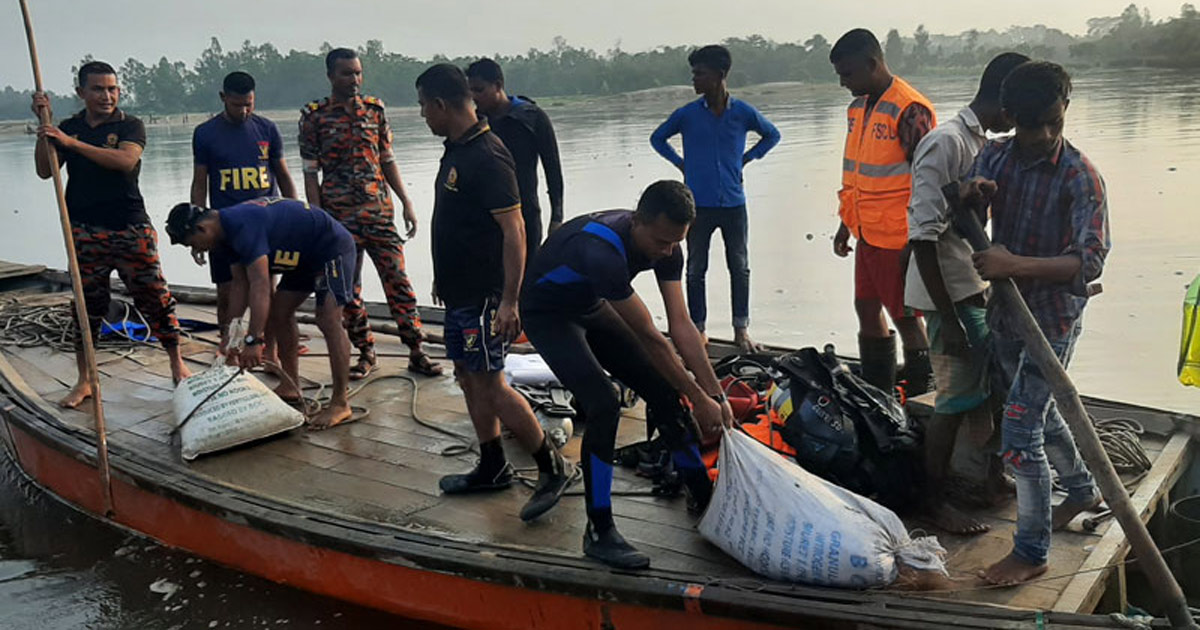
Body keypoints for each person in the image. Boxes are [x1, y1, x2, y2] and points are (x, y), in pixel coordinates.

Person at [522, 181, 734, 570]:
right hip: (547, 314)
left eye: (676, 242)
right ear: (637, 221)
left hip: (590, 303)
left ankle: (702, 494)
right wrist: (697, 396)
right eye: (661, 241)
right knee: (603, 403)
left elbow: (681, 324)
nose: (668, 251)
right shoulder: (602, 252)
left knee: (665, 391)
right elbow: (652, 337)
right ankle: (599, 531)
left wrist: (714, 394)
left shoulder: (668, 244)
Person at [958, 61, 1106, 586]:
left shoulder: (1080, 176)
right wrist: (972, 196)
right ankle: (1082, 490)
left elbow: (1088, 263)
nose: (1042, 135)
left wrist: (1012, 264)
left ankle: (1031, 550)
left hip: (1052, 320)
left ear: (1064, 108)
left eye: (1052, 122)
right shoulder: (995, 155)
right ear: (1009, 117)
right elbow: (966, 208)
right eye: (1029, 125)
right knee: (1038, 416)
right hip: (1005, 313)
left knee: (1020, 432)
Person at [416, 63, 574, 523]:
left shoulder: (488, 156)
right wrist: (443, 276)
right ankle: (492, 463)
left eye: (424, 107)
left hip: (485, 295)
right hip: (460, 290)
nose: (423, 115)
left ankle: (552, 466)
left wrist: (509, 300)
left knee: (490, 382)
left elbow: (515, 231)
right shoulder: (458, 149)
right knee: (468, 374)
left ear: (441, 104)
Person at [905, 52, 1030, 536]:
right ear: (1004, 99)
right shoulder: (946, 142)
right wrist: (951, 320)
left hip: (971, 284)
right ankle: (932, 501)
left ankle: (990, 479)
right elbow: (922, 236)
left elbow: (961, 222)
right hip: (949, 296)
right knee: (954, 398)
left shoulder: (980, 143)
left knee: (989, 386)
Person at [31, 61, 190, 408]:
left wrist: (72, 144)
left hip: (130, 227)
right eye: (98, 89)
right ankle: (86, 379)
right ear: (81, 92)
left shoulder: (129, 125)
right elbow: (45, 170)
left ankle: (177, 365)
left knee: (155, 297)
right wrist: (46, 127)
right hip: (84, 229)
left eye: (112, 88)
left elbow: (124, 162)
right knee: (86, 306)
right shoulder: (69, 127)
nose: (107, 96)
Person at [299, 48, 441, 380]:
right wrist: (318, 221)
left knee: (398, 282)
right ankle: (365, 351)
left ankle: (416, 350)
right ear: (331, 76)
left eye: (358, 73)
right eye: (347, 73)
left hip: (379, 213)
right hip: (339, 219)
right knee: (348, 290)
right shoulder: (315, 117)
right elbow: (310, 174)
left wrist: (406, 202)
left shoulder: (374, 111)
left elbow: (387, 159)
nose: (354, 79)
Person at [165, 198, 356, 430]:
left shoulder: (242, 226)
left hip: (330, 248)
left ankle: (340, 402)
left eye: (193, 244)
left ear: (202, 228)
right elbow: (240, 286)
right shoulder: (224, 238)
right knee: (279, 313)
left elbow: (261, 286)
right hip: (300, 256)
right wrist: (231, 336)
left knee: (327, 318)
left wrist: (254, 340)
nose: (197, 250)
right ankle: (290, 384)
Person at [650, 45, 780, 353]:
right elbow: (658, 138)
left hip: (734, 203)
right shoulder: (687, 115)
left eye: (700, 73)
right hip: (698, 205)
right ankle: (698, 329)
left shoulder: (742, 113)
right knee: (696, 268)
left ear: (720, 75)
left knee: (740, 266)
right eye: (694, 73)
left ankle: (741, 329)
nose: (694, 79)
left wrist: (747, 158)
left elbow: (772, 135)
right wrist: (681, 164)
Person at [829, 29, 935, 396]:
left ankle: (922, 393)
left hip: (898, 236)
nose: (842, 82)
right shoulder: (857, 108)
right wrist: (845, 224)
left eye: (847, 74)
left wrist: (918, 240)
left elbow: (928, 179)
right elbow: (858, 174)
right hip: (866, 231)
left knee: (906, 317)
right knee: (865, 306)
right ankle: (879, 393)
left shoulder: (910, 109)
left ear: (872, 64)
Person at [190, 71, 298, 353]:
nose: (243, 111)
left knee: (267, 290)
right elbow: (200, 182)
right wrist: (196, 228)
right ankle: (229, 348)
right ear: (223, 98)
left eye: (249, 104)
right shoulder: (205, 133)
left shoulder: (267, 129)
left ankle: (270, 352)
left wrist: (295, 214)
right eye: (237, 105)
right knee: (227, 292)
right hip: (224, 226)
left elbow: (283, 175)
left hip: (266, 226)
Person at [466, 58, 565, 266]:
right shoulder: (476, 123)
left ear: (498, 85)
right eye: (471, 91)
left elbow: (553, 168)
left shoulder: (532, 117)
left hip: (526, 214)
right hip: (486, 219)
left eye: (480, 90)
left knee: (527, 275)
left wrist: (556, 217)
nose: (474, 97)